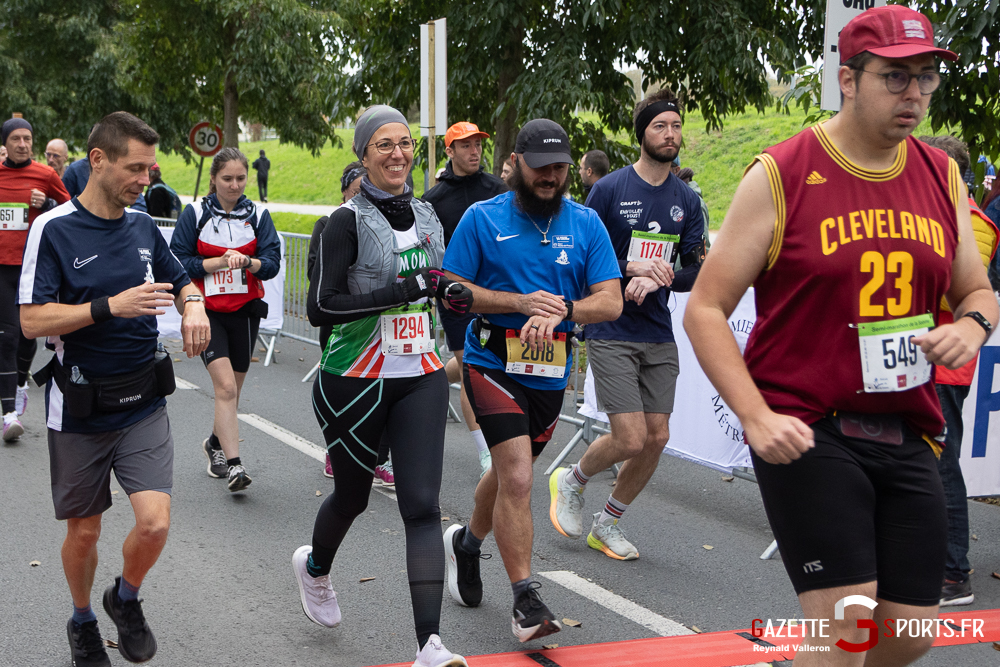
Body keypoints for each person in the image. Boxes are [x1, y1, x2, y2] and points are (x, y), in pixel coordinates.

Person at [684, 7, 998, 665]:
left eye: (927, 78)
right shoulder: (782, 172)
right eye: (896, 77)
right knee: (848, 629)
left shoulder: (940, 175)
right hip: (808, 426)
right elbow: (707, 309)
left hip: (908, 428)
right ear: (848, 78)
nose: (914, 94)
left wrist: (971, 326)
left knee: (909, 634)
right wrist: (756, 416)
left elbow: (977, 289)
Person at [19, 110, 210, 667]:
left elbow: (181, 279)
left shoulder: (144, 224)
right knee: (85, 531)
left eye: (150, 169)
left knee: (154, 523)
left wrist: (192, 304)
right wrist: (110, 307)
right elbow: (32, 320)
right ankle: (82, 619)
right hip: (80, 404)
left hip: (144, 399)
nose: (145, 180)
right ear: (97, 160)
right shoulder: (52, 229)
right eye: (135, 168)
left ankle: (123, 599)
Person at [293, 105, 473, 667]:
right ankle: (315, 568)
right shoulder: (341, 223)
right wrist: (400, 291)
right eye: (384, 145)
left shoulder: (426, 215)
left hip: (419, 373)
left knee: (422, 507)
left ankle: (430, 646)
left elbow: (433, 282)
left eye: (405, 144)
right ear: (364, 155)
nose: (397, 154)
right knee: (352, 496)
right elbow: (320, 307)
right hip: (354, 377)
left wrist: (449, 299)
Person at [441, 119, 622, 642]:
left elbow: (609, 300)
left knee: (505, 475)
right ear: (517, 162)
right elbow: (453, 290)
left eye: (560, 167)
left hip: (550, 370)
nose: (551, 176)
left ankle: (468, 545)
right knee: (519, 477)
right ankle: (526, 600)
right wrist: (518, 303)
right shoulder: (482, 218)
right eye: (541, 167)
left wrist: (566, 308)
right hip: (490, 361)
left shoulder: (586, 223)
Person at [549, 89, 704, 561]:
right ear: (642, 134)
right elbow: (579, 258)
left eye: (676, 126)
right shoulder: (611, 189)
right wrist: (632, 270)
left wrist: (664, 275)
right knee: (630, 436)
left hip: (657, 330)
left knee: (657, 438)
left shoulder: (687, 200)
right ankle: (571, 481)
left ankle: (607, 522)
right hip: (611, 325)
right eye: (661, 126)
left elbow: (697, 270)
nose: (671, 134)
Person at [917, 134, 999, 606]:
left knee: (942, 469)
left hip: (947, 365)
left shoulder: (975, 224)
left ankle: (953, 574)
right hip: (919, 360)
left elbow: (961, 292)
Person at [170, 148, 281, 492]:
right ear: (214, 179)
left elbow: (273, 262)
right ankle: (235, 467)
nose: (234, 185)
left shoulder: (259, 214)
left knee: (233, 392)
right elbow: (177, 260)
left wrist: (248, 264)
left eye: (240, 178)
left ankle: (214, 444)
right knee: (226, 388)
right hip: (207, 312)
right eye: (227, 179)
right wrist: (216, 263)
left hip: (245, 313)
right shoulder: (195, 213)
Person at [423, 121, 508, 478]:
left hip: (498, 294)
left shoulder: (497, 188)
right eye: (466, 145)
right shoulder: (434, 199)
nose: (474, 151)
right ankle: (486, 454)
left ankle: (434, 380)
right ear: (450, 151)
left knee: (490, 362)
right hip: (457, 298)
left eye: (478, 144)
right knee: (473, 370)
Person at [306, 160, 385, 481]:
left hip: (381, 326)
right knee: (346, 391)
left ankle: (379, 457)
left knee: (382, 390)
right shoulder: (328, 225)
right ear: (344, 195)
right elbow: (317, 276)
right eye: (357, 192)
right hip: (340, 326)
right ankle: (336, 449)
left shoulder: (387, 230)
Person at [0, 117, 71, 440]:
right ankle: (8, 414)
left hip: (32, 267)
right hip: (2, 266)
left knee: (29, 334)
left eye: (27, 138)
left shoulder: (45, 175)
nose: (23, 144)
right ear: (6, 143)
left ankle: (18, 384)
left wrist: (49, 203)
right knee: (8, 336)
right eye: (16, 138)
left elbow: (70, 210)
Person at [63, 154, 148, 212]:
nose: (146, 182)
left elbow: (139, 205)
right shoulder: (75, 169)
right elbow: (64, 204)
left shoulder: (121, 169)